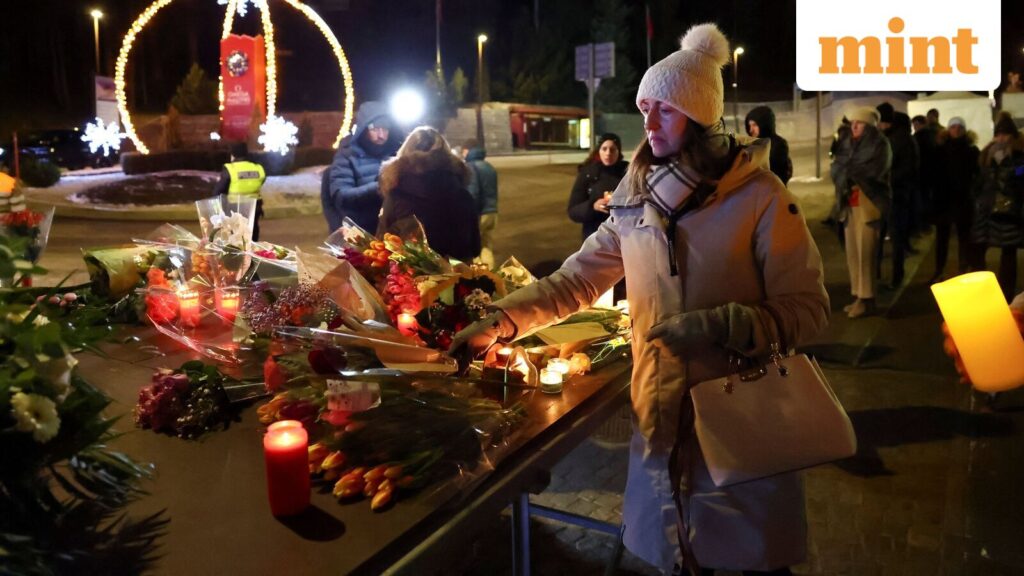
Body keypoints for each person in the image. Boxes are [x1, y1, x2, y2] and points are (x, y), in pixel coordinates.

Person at [450, 23, 829, 576]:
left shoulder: (761, 199)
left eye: (665, 110)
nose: (648, 123)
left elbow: (809, 308)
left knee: (747, 561)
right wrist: (501, 320)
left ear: (700, 116)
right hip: (658, 422)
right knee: (676, 556)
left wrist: (722, 325)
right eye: (644, 107)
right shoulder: (635, 201)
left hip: (739, 423)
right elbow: (575, 281)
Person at [377, 127, 480, 262]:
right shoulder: (464, 196)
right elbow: (475, 248)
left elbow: (381, 247)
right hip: (460, 279)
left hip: (410, 281)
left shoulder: (396, 198)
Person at [831, 106, 892, 318]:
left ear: (868, 126)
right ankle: (858, 296)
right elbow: (837, 168)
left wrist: (848, 173)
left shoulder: (880, 145)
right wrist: (846, 174)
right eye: (853, 123)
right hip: (849, 204)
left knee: (866, 255)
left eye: (859, 123)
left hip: (869, 206)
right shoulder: (847, 143)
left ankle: (867, 299)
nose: (854, 127)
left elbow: (873, 172)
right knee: (853, 254)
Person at [321, 101, 402, 233]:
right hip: (359, 229)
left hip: (391, 229)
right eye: (375, 129)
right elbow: (342, 196)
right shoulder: (347, 155)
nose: (381, 135)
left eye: (385, 129)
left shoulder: (395, 154)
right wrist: (379, 187)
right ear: (363, 128)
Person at [970, 113, 1024, 300]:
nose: (1001, 138)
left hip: (1008, 210)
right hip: (985, 209)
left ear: (1012, 136)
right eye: (998, 134)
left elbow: (1019, 177)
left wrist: (1007, 168)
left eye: (1005, 134)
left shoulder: (1020, 157)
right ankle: (982, 290)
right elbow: (978, 179)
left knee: (1008, 253)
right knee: (978, 248)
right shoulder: (986, 155)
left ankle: (1006, 294)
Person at [931, 116, 980, 282]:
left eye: (959, 127)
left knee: (964, 236)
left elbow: (979, 174)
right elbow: (934, 175)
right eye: (953, 127)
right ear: (948, 129)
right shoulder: (940, 150)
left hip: (963, 199)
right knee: (941, 238)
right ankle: (939, 270)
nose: (956, 129)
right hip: (944, 200)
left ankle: (963, 269)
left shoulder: (971, 150)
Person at [881, 110, 920, 288]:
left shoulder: (897, 140)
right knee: (898, 236)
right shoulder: (907, 138)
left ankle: (896, 278)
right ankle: (895, 275)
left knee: (895, 237)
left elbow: (896, 167)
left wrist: (887, 179)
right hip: (904, 193)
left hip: (896, 194)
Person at [567, 132, 629, 240]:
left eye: (612, 149)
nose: (608, 153)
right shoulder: (588, 173)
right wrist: (593, 206)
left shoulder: (628, 172)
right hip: (594, 236)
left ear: (618, 152)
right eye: (604, 149)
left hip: (623, 235)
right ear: (598, 151)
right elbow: (573, 211)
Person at [212, 142, 266, 241]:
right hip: (254, 206)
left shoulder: (231, 169)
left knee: (236, 236)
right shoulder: (258, 168)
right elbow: (262, 181)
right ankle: (252, 252)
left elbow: (220, 189)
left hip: (235, 207)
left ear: (233, 155)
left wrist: (216, 204)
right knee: (252, 232)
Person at [462, 139, 499, 267]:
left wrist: (470, 214)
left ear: (467, 151)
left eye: (463, 152)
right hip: (492, 212)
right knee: (486, 247)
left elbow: (473, 193)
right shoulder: (489, 167)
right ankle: (491, 278)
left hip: (479, 213)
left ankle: (478, 278)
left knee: (474, 249)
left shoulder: (471, 167)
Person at [744, 106, 792, 185]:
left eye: (755, 125)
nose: (751, 130)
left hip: (773, 191)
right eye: (749, 126)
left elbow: (780, 173)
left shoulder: (778, 145)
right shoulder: (751, 145)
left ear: (764, 124)